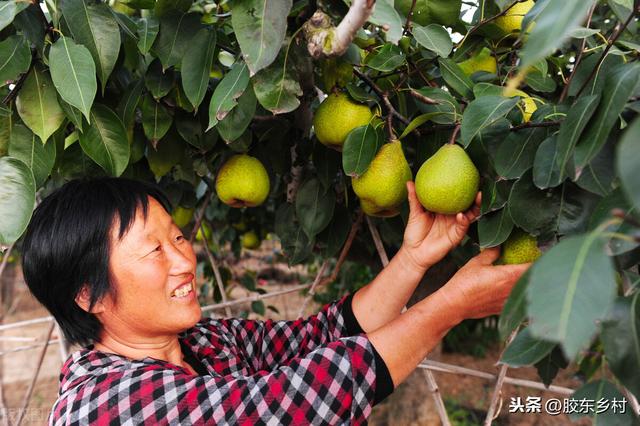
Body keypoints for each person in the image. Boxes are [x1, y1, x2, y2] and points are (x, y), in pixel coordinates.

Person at [21, 177, 529, 425]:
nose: (184, 261)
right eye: (155, 250)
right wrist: (452, 305)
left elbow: (332, 334)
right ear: (87, 295)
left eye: (178, 238)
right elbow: (287, 404)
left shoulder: (203, 342)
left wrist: (414, 259)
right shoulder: (104, 407)